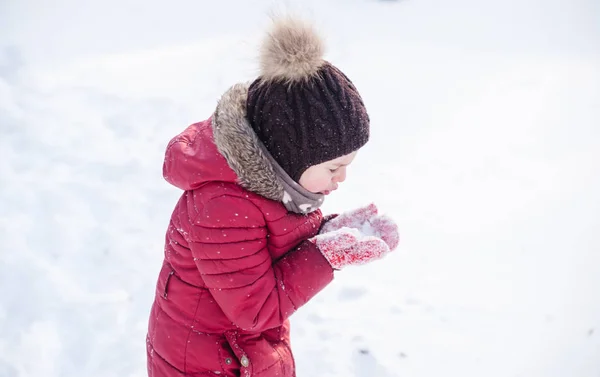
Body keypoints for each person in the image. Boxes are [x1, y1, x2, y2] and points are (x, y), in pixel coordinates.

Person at [146, 16, 399, 377]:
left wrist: (327, 231)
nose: (342, 177)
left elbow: (271, 247)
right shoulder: (221, 206)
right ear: (291, 156)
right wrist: (325, 255)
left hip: (242, 353)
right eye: (333, 168)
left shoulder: (273, 186)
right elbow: (254, 308)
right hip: (206, 364)